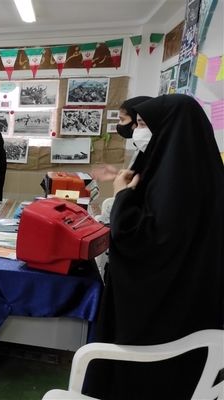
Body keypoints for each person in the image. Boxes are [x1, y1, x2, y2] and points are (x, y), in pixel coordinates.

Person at [85, 94, 224, 399]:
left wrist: (122, 195)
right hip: (189, 300)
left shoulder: (179, 180)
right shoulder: (195, 169)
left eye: (144, 123)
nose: (138, 131)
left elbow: (145, 240)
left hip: (162, 312)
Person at [91, 96, 152, 182]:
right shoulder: (141, 148)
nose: (119, 124)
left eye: (122, 119)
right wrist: (117, 175)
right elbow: (138, 180)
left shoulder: (159, 153)